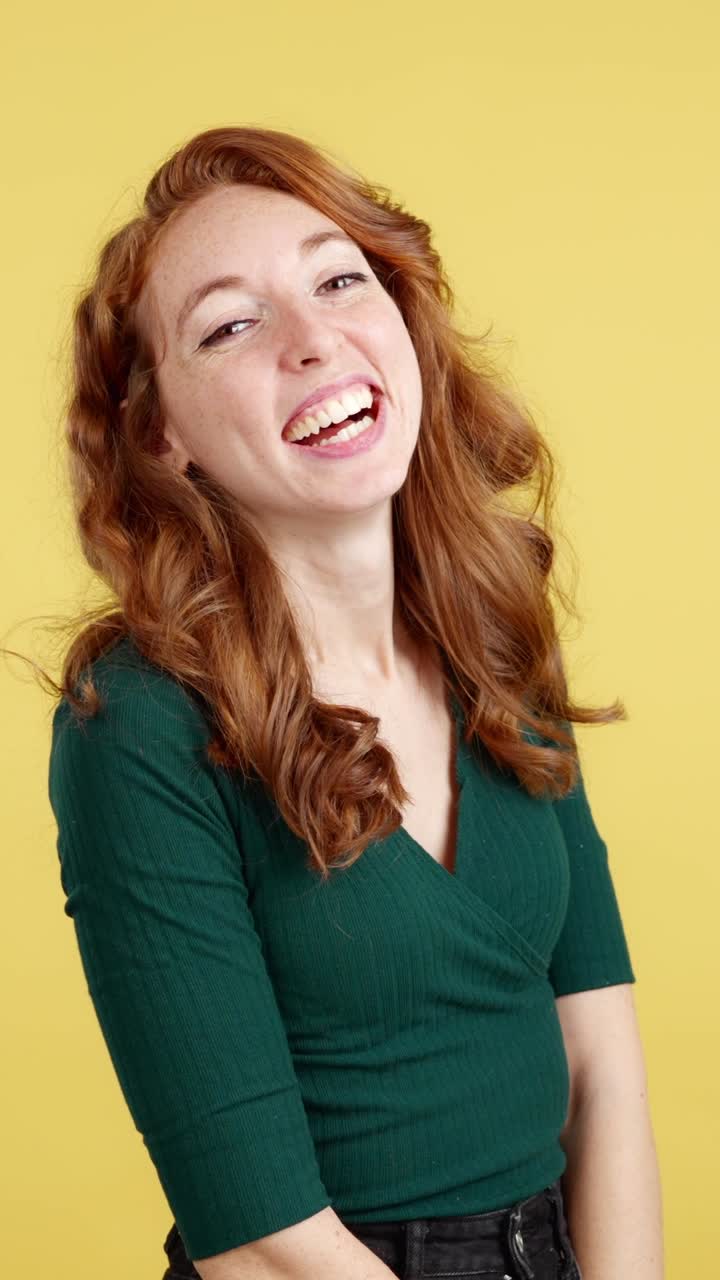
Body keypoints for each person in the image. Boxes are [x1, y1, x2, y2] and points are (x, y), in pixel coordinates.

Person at [46, 125, 662, 1280]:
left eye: (340, 279)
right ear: (160, 434)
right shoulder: (134, 723)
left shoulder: (496, 632)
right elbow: (265, 1241)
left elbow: (601, 1060)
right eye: (231, 324)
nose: (314, 338)